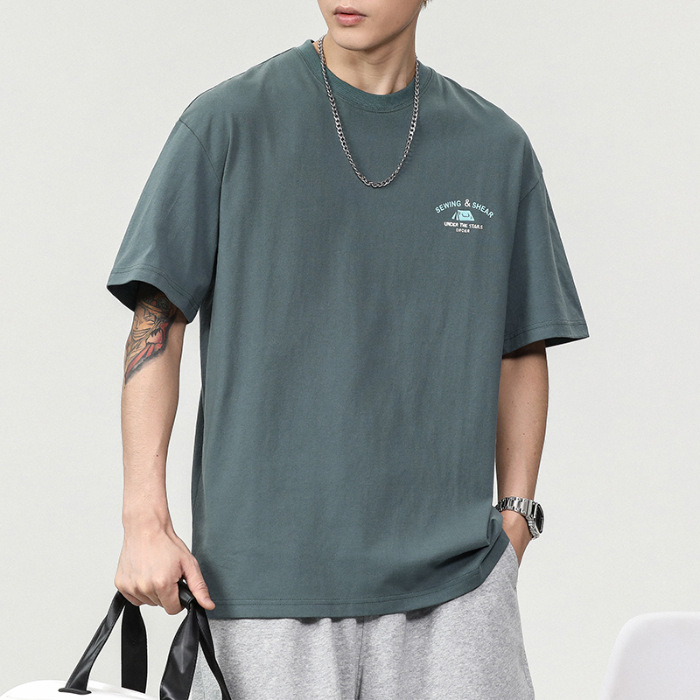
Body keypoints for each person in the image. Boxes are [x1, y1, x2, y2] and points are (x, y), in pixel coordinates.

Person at [108, 1, 588, 697]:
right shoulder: (228, 123)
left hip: (455, 592)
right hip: (262, 591)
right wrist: (143, 518)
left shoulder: (495, 148)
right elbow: (158, 321)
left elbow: (520, 346)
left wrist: (516, 521)